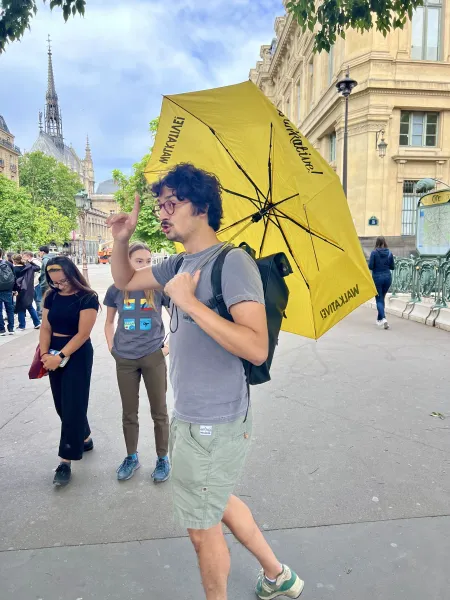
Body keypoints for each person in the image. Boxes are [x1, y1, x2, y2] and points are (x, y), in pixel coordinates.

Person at [107, 163, 303, 600]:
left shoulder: (233, 263)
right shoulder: (178, 262)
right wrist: (122, 240)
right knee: (218, 501)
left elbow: (256, 346)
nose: (162, 212)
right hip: (190, 417)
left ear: (202, 208)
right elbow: (124, 282)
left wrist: (189, 303)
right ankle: (278, 576)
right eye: (159, 205)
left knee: (202, 531)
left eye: (171, 204)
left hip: (215, 422)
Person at [104, 241, 170, 483]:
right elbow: (109, 322)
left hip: (153, 355)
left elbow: (179, 320)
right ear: (127, 262)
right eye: (138, 261)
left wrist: (166, 348)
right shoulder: (115, 289)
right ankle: (131, 456)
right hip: (125, 358)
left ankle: (163, 458)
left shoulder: (158, 287)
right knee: (129, 412)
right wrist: (113, 348)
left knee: (159, 412)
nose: (144, 266)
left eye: (148, 261)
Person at [39, 256, 99, 486]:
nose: (59, 285)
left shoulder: (87, 297)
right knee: (62, 405)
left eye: (63, 281)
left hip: (76, 354)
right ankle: (84, 437)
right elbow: (46, 326)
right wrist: (46, 355)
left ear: (73, 274)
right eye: (54, 282)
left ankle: (66, 460)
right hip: (52, 353)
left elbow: (83, 334)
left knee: (73, 404)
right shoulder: (51, 296)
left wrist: (60, 356)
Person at [369, 236, 395, 330]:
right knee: (382, 298)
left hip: (377, 278)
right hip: (388, 278)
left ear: (376, 242)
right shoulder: (389, 253)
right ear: (385, 242)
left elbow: (370, 266)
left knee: (379, 299)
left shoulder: (374, 253)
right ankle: (379, 319)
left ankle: (383, 318)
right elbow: (392, 267)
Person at [12, 253, 41, 331]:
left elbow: (14, 281)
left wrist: (14, 290)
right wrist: (30, 261)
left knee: (21, 307)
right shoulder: (29, 267)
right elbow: (38, 268)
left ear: (14, 261)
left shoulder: (14, 269)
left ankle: (22, 325)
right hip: (29, 289)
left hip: (20, 290)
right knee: (29, 306)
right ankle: (37, 323)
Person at [0, 248, 16, 336]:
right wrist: (15, 289)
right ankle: (11, 328)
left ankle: (1, 330)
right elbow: (14, 277)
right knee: (9, 309)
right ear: (2, 254)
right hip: (8, 290)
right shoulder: (8, 263)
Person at [22, 251, 43, 318]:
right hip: (33, 283)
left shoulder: (35, 262)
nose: (23, 257)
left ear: (28, 256)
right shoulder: (29, 262)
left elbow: (39, 273)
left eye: (24, 256)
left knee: (38, 299)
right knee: (35, 299)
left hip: (36, 283)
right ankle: (37, 313)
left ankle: (39, 314)